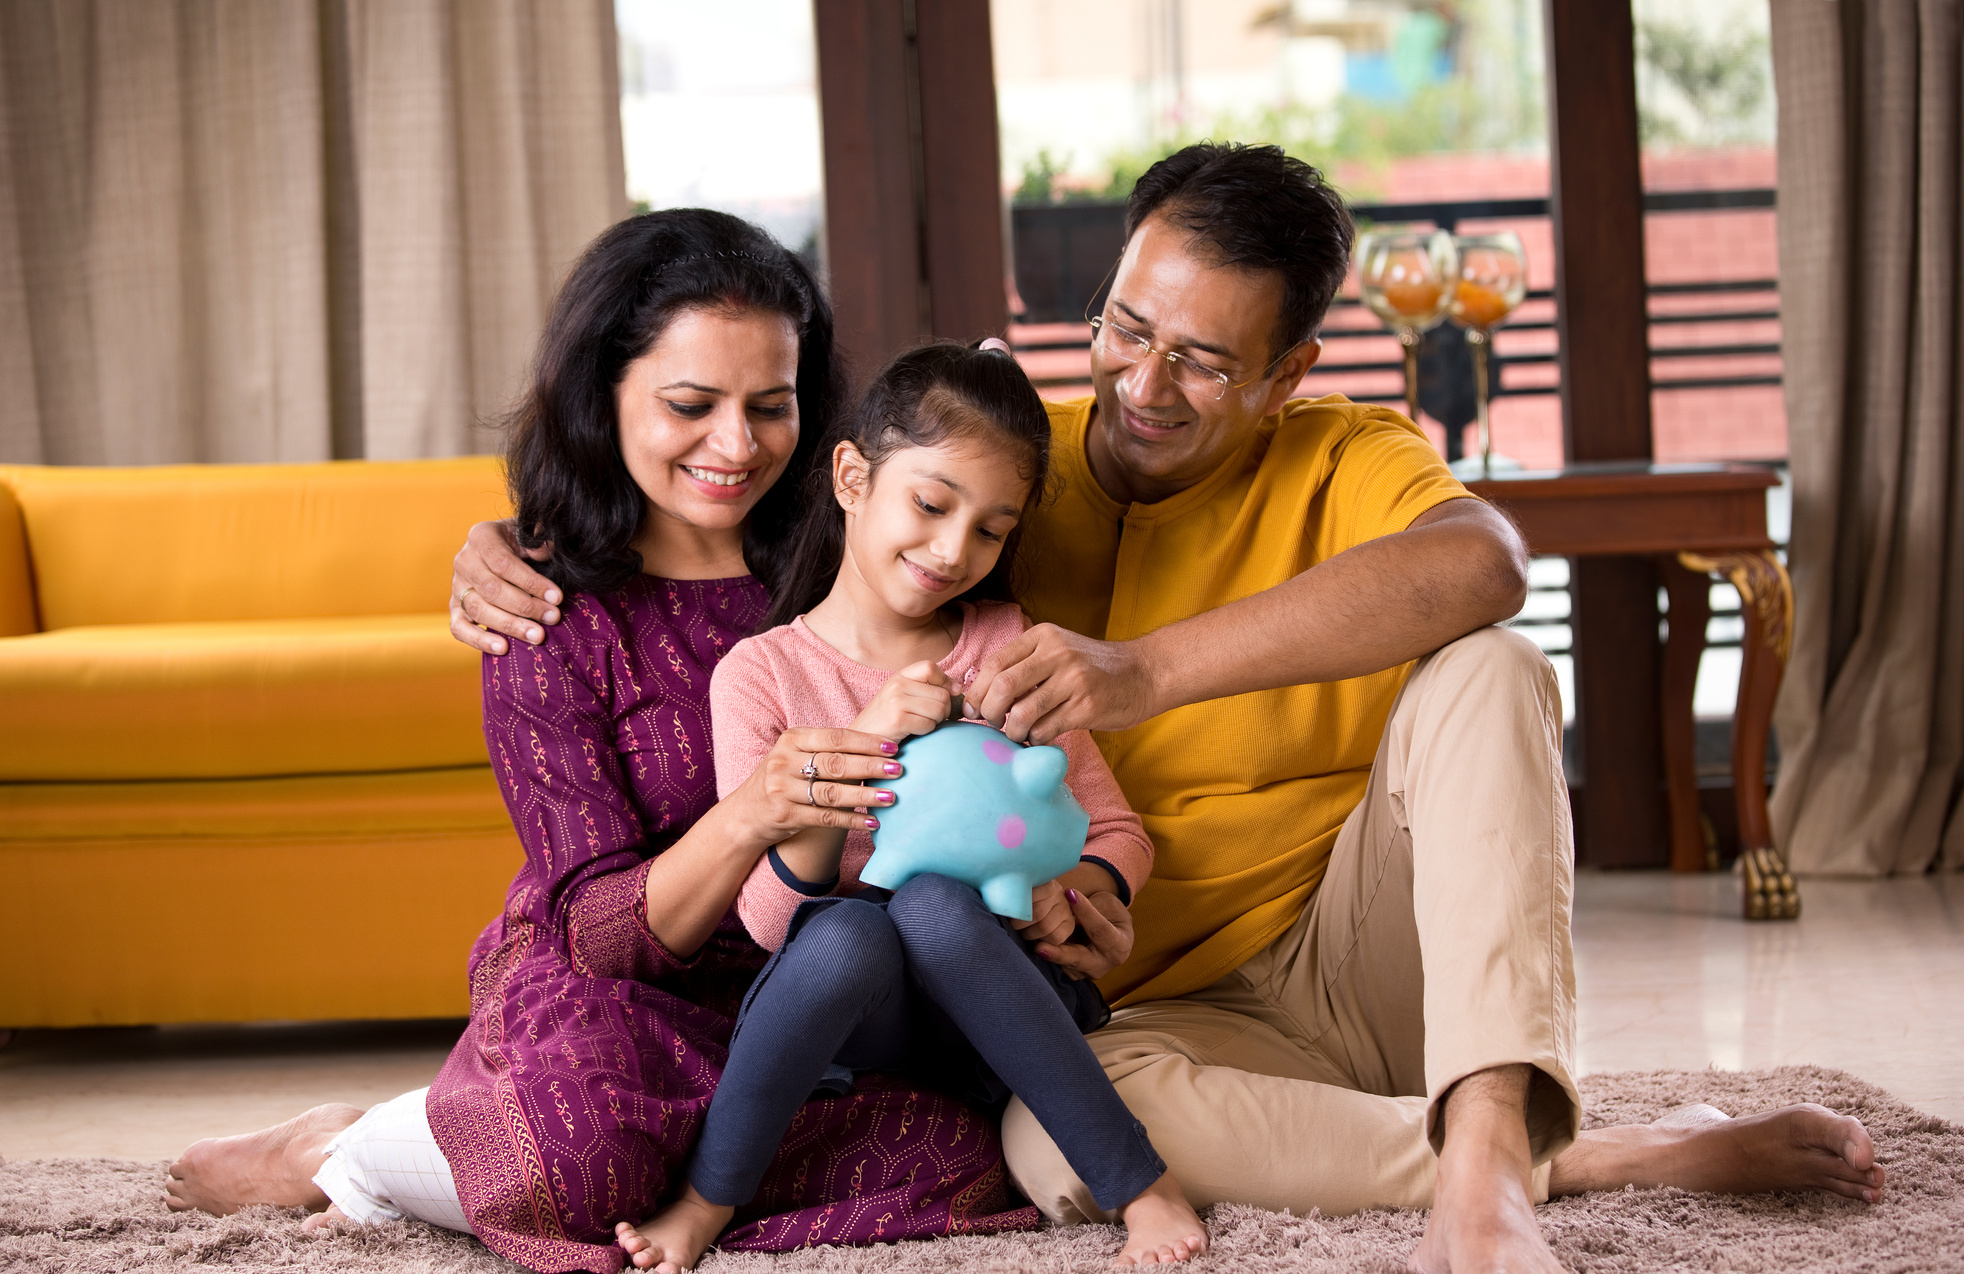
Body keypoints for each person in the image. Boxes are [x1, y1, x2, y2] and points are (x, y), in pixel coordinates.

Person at [451, 145, 1886, 1274]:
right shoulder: (1007, 466)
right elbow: (797, 503)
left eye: (1204, 361)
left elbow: (1488, 565)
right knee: (1060, 1152)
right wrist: (508, 541)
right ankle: (1572, 1154)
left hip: (1353, 949)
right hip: (1149, 1006)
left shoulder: (1344, 457)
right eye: (1126, 329)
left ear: (1284, 377)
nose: (1144, 384)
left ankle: (1492, 1143)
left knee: (1493, 663)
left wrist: (1143, 675)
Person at [163, 209, 1052, 1273]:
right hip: (618, 987)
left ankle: (443, 1131)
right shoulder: (543, 609)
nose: (735, 445)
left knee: (957, 1159)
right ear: (603, 393)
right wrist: (753, 814)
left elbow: (972, 459)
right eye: (689, 404)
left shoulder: (854, 550)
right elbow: (598, 932)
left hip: (822, 985)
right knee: (576, 1168)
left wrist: (1076, 873)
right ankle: (349, 1150)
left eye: (770, 407)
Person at [615, 340, 1204, 1273]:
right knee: (852, 933)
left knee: (935, 902)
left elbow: (1120, 833)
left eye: (990, 529)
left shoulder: (1008, 648)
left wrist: (1080, 891)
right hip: (863, 1018)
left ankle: (1141, 1183)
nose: (951, 551)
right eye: (931, 505)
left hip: (1005, 993)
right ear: (853, 475)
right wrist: (869, 734)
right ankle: (704, 1199)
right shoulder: (760, 676)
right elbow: (773, 922)